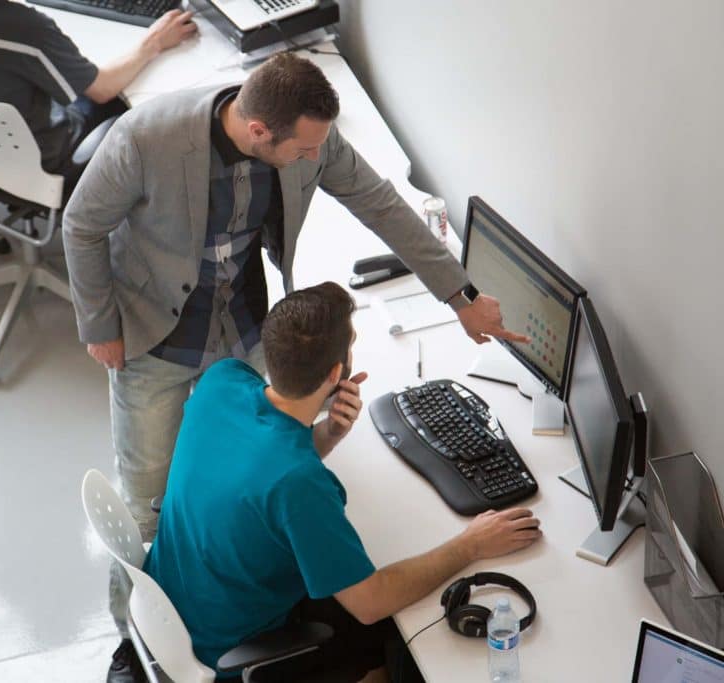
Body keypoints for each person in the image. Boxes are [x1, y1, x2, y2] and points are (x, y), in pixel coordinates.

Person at [61, 52, 529, 679]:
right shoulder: (147, 137)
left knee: (254, 445)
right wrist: (100, 327)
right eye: (305, 150)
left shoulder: (232, 379)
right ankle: (142, 647)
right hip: (152, 324)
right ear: (259, 131)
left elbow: (382, 204)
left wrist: (461, 296)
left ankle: (189, 615)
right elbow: (82, 223)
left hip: (243, 313)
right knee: (151, 495)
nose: (316, 159)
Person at [144, 282, 543, 681]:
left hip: (175, 605)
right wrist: (471, 543)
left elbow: (257, 460)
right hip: (227, 649)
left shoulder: (222, 380)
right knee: (393, 632)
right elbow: (370, 601)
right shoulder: (299, 483)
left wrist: (329, 432)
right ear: (336, 372)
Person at [0, 0, 196, 190]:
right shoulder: (21, 24)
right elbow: (102, 89)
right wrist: (154, 42)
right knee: (148, 111)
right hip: (44, 166)